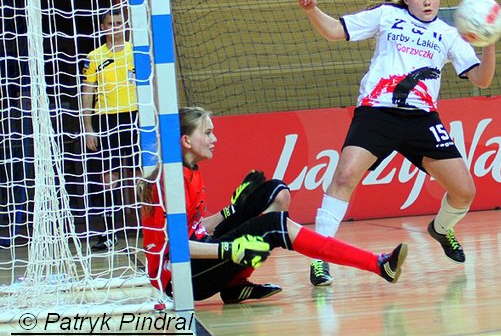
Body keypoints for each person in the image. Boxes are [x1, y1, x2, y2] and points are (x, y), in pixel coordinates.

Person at [298, 0, 497, 286]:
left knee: (464, 192)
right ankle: (320, 257)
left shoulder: (448, 34)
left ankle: (441, 228)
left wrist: (490, 43)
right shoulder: (387, 16)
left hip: (421, 119)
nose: (428, 1)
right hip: (378, 112)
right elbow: (335, 31)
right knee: (345, 176)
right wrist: (312, 10)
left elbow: (482, 80)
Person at [138, 106, 407, 305]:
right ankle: (377, 264)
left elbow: (193, 228)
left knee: (273, 192)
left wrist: (230, 211)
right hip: (178, 280)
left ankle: (235, 285)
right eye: (207, 133)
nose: (214, 139)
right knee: (272, 227)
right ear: (186, 141)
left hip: (195, 262)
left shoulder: (189, 170)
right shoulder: (170, 181)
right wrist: (228, 249)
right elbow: (174, 246)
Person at [81, 9, 139, 251]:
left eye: (119, 23)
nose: (115, 27)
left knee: (142, 174)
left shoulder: (135, 51)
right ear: (103, 27)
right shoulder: (94, 56)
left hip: (135, 116)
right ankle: (109, 233)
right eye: (110, 24)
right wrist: (88, 128)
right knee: (109, 179)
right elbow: (87, 92)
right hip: (107, 120)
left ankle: (155, 227)